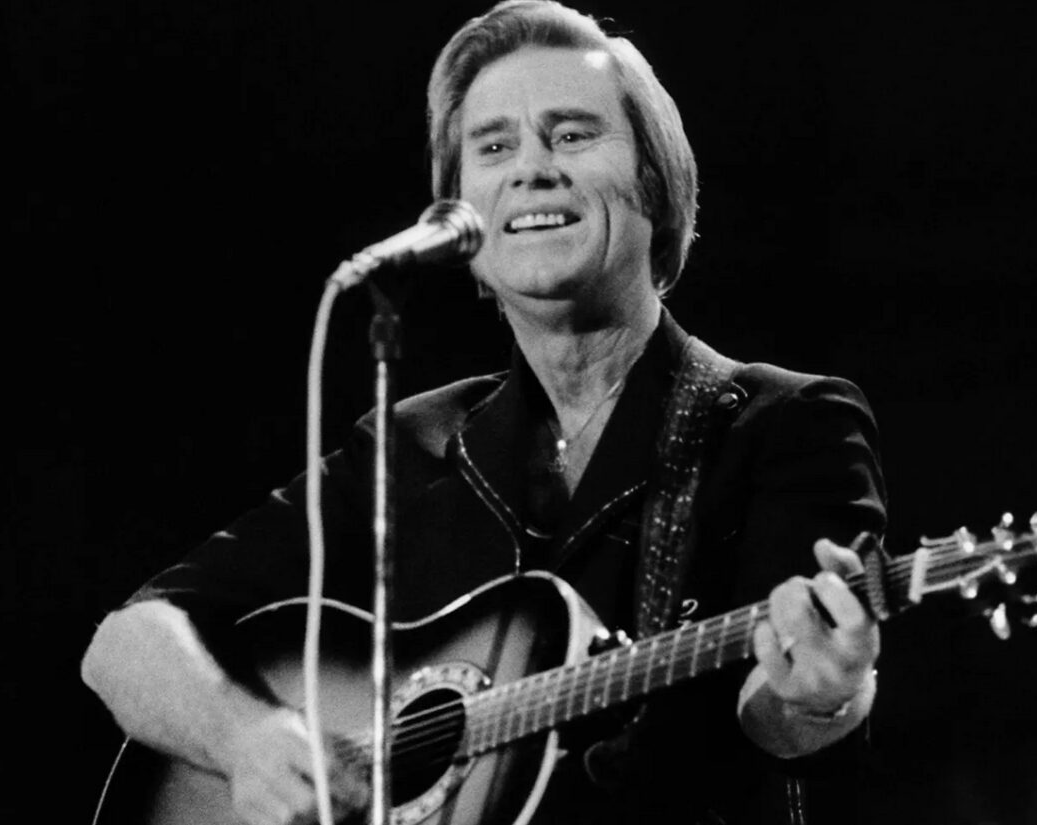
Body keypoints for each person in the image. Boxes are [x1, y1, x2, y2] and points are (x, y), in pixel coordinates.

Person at [81, 2, 887, 824]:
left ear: (656, 184)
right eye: (494, 147)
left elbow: (780, 717)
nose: (531, 168)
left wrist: (821, 692)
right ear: (461, 220)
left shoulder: (785, 426)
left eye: (572, 134)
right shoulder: (412, 442)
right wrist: (245, 739)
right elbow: (126, 641)